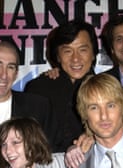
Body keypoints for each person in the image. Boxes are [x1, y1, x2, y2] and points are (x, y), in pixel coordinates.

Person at [24, 19, 98, 152]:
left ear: (93, 54)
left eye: (82, 50)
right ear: (58, 56)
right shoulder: (39, 88)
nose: (76, 58)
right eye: (67, 51)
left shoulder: (107, 90)